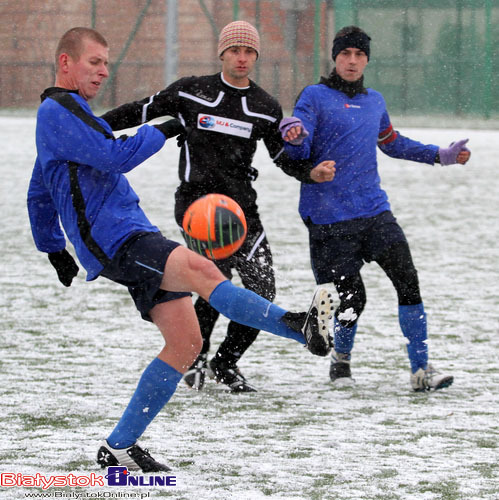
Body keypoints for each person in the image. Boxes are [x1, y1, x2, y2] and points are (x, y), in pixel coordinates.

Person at [26, 27, 334, 472]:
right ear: (65, 63)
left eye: (107, 63)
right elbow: (115, 156)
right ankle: (298, 326)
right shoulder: (58, 110)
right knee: (202, 271)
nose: (103, 71)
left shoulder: (70, 115)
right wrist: (165, 128)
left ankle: (119, 447)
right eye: (94, 62)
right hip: (116, 238)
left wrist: (52, 246)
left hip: (128, 230)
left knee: (187, 342)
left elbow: (39, 190)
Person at [101, 20, 335, 393]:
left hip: (243, 210)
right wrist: (94, 126)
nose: (241, 58)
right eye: (235, 50)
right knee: (215, 283)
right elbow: (141, 110)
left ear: (255, 56)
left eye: (248, 52)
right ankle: (195, 360)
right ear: (222, 53)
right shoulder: (191, 92)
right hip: (199, 207)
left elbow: (281, 158)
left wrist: (312, 172)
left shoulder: (264, 106)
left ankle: (226, 363)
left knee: (262, 289)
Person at [280, 25, 471, 392]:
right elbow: (298, 150)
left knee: (408, 282)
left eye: (359, 55)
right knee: (353, 298)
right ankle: (341, 361)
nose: (352, 61)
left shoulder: (375, 101)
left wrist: (439, 155)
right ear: (335, 58)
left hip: (374, 211)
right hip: (329, 217)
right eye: (345, 54)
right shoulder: (315, 96)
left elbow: (392, 142)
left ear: (367, 59)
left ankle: (421, 369)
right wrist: (296, 138)